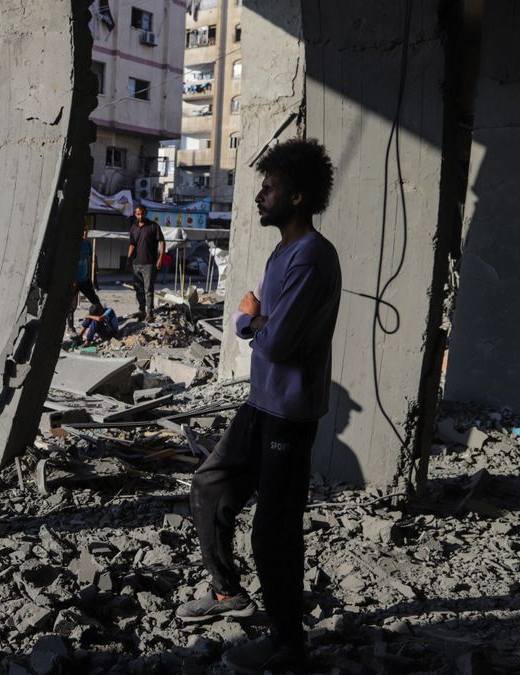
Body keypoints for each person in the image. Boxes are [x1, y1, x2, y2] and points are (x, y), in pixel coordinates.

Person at [178, 139, 341, 674]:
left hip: (289, 415)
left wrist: (250, 322)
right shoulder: (283, 254)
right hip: (261, 402)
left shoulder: (313, 258)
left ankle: (287, 645)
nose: (259, 196)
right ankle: (228, 593)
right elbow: (261, 320)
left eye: (269, 188)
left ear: (297, 195)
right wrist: (257, 320)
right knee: (210, 485)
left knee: (273, 530)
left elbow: (271, 339)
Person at [126, 205, 164, 322]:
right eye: (138, 214)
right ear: (135, 214)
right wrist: (128, 259)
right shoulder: (134, 228)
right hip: (136, 263)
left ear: (146, 213)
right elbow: (132, 244)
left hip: (149, 263)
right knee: (138, 289)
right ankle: (141, 311)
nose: (140, 216)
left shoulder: (153, 226)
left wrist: (161, 257)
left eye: (142, 213)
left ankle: (150, 313)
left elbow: (161, 241)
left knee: (148, 289)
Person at [69, 229, 101, 328]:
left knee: (96, 303)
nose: (84, 233)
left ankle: (95, 324)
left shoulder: (87, 244)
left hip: (85, 279)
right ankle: (70, 328)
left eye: (86, 231)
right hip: (75, 280)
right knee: (71, 306)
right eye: (82, 230)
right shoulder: (73, 245)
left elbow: (90, 260)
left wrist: (94, 279)